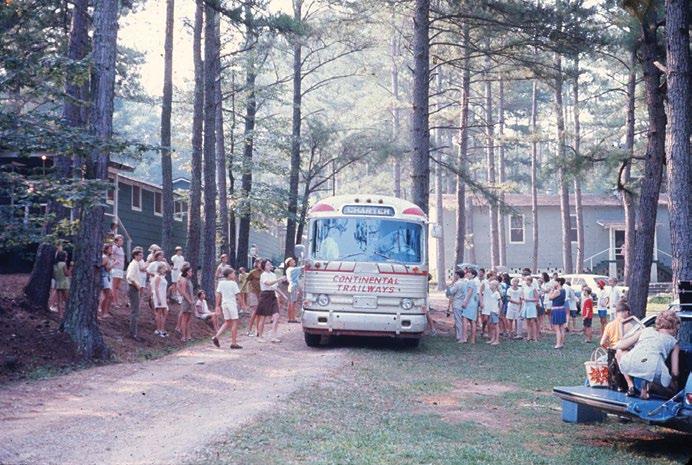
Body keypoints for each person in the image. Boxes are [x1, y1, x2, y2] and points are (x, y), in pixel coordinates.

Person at [616, 309, 681, 399]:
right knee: (673, 391)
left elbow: (620, 345)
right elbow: (675, 372)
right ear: (674, 327)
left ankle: (631, 386)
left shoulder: (646, 330)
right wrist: (674, 382)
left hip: (632, 362)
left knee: (619, 352)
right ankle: (650, 386)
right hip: (655, 369)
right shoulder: (674, 343)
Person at [256, 259, 287, 343]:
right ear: (264, 266)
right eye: (267, 264)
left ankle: (273, 336)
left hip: (272, 295)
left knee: (276, 315)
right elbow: (268, 283)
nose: (269, 266)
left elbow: (275, 287)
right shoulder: (263, 275)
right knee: (263, 317)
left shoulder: (273, 275)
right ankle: (260, 336)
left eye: (270, 264)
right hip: (265, 295)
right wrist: (279, 279)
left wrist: (283, 295)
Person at [212, 267, 243, 349]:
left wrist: (217, 305)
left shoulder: (221, 283)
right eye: (233, 273)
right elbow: (238, 295)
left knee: (227, 322)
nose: (234, 275)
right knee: (235, 322)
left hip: (224, 304)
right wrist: (243, 304)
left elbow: (218, 294)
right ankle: (233, 343)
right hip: (231, 304)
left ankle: (216, 336)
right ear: (229, 275)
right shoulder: (233, 283)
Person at [125, 249, 144, 340]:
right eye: (140, 255)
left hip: (134, 288)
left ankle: (133, 332)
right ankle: (133, 333)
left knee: (136, 311)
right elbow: (129, 277)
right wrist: (137, 285)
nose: (142, 256)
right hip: (133, 288)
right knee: (135, 311)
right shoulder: (133, 264)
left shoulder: (136, 264)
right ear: (135, 256)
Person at [445, 270, 468, 343]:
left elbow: (450, 292)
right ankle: (464, 335)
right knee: (463, 320)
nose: (454, 276)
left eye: (455, 274)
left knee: (458, 320)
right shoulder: (466, 282)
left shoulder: (458, 283)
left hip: (457, 303)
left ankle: (460, 336)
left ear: (458, 275)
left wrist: (448, 287)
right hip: (465, 303)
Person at [244, 259, 263, 336]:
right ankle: (249, 329)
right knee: (255, 310)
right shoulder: (252, 272)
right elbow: (246, 281)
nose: (260, 264)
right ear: (256, 264)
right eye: (259, 263)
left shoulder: (264, 273)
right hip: (253, 292)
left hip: (261, 293)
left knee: (259, 312)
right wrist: (243, 291)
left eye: (262, 263)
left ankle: (257, 329)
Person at [461, 268, 480, 344]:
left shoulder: (471, 282)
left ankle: (464, 338)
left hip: (469, 302)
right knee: (473, 321)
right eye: (467, 272)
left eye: (469, 273)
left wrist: (465, 302)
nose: (467, 274)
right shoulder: (472, 282)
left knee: (465, 319)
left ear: (473, 275)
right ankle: (472, 339)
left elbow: (469, 292)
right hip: (473, 302)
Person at [177, 264, 195, 341]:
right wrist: (189, 301)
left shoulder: (189, 280)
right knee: (184, 319)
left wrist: (192, 300)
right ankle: (183, 336)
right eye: (190, 271)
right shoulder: (184, 280)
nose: (192, 273)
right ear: (187, 272)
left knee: (189, 320)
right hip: (186, 301)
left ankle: (188, 336)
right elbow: (183, 292)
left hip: (191, 301)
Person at [548, 277, 567, 349]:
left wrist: (552, 290)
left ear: (559, 282)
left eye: (555, 282)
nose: (554, 283)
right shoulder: (563, 290)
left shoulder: (557, 291)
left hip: (556, 310)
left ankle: (558, 344)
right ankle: (561, 343)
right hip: (562, 309)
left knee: (557, 328)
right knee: (561, 327)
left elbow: (550, 297)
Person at [151, 262, 169, 337]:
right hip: (159, 296)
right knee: (159, 313)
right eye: (163, 268)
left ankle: (162, 329)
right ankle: (159, 330)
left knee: (165, 313)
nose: (165, 270)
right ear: (160, 269)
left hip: (163, 296)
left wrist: (166, 297)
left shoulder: (163, 277)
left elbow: (164, 288)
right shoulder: (157, 277)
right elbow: (156, 288)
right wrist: (158, 299)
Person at [521, 276, 540, 342]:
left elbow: (537, 298)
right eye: (526, 280)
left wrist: (529, 300)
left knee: (532, 322)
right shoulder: (524, 288)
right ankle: (529, 337)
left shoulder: (533, 288)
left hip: (531, 306)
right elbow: (522, 296)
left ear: (531, 281)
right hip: (526, 305)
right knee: (527, 322)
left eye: (528, 280)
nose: (527, 282)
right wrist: (522, 298)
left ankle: (535, 337)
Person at [52, 251, 71, 317]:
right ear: (64, 257)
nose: (67, 258)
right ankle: (68, 313)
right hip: (64, 283)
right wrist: (71, 268)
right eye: (66, 257)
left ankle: (60, 314)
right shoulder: (63, 264)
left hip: (58, 283)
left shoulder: (55, 265)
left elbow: (54, 275)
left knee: (59, 300)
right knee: (67, 299)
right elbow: (66, 274)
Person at [285, 257, 303, 323]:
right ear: (289, 263)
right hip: (294, 287)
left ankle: (290, 318)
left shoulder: (288, 269)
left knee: (291, 303)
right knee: (293, 303)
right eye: (292, 260)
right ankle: (292, 319)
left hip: (291, 286)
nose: (294, 261)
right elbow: (302, 268)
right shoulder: (292, 269)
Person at [99, 243, 114, 318]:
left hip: (107, 277)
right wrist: (114, 264)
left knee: (109, 296)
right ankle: (103, 312)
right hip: (104, 277)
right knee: (107, 295)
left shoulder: (107, 257)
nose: (111, 250)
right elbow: (107, 268)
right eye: (110, 249)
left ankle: (105, 312)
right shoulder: (105, 257)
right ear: (106, 249)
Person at [485, 280, 502, 346]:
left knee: (496, 326)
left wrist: (499, 311)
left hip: (495, 311)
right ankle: (493, 339)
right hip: (491, 311)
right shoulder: (493, 293)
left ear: (495, 286)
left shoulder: (497, 293)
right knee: (492, 326)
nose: (490, 286)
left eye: (491, 284)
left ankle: (497, 340)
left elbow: (500, 303)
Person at [111, 235, 125, 307]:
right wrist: (115, 260)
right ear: (116, 241)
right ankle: (114, 302)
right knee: (114, 286)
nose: (122, 241)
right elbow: (110, 254)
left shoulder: (121, 248)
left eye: (122, 240)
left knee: (117, 286)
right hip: (115, 268)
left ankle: (116, 300)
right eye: (120, 240)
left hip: (120, 269)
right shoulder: (114, 247)